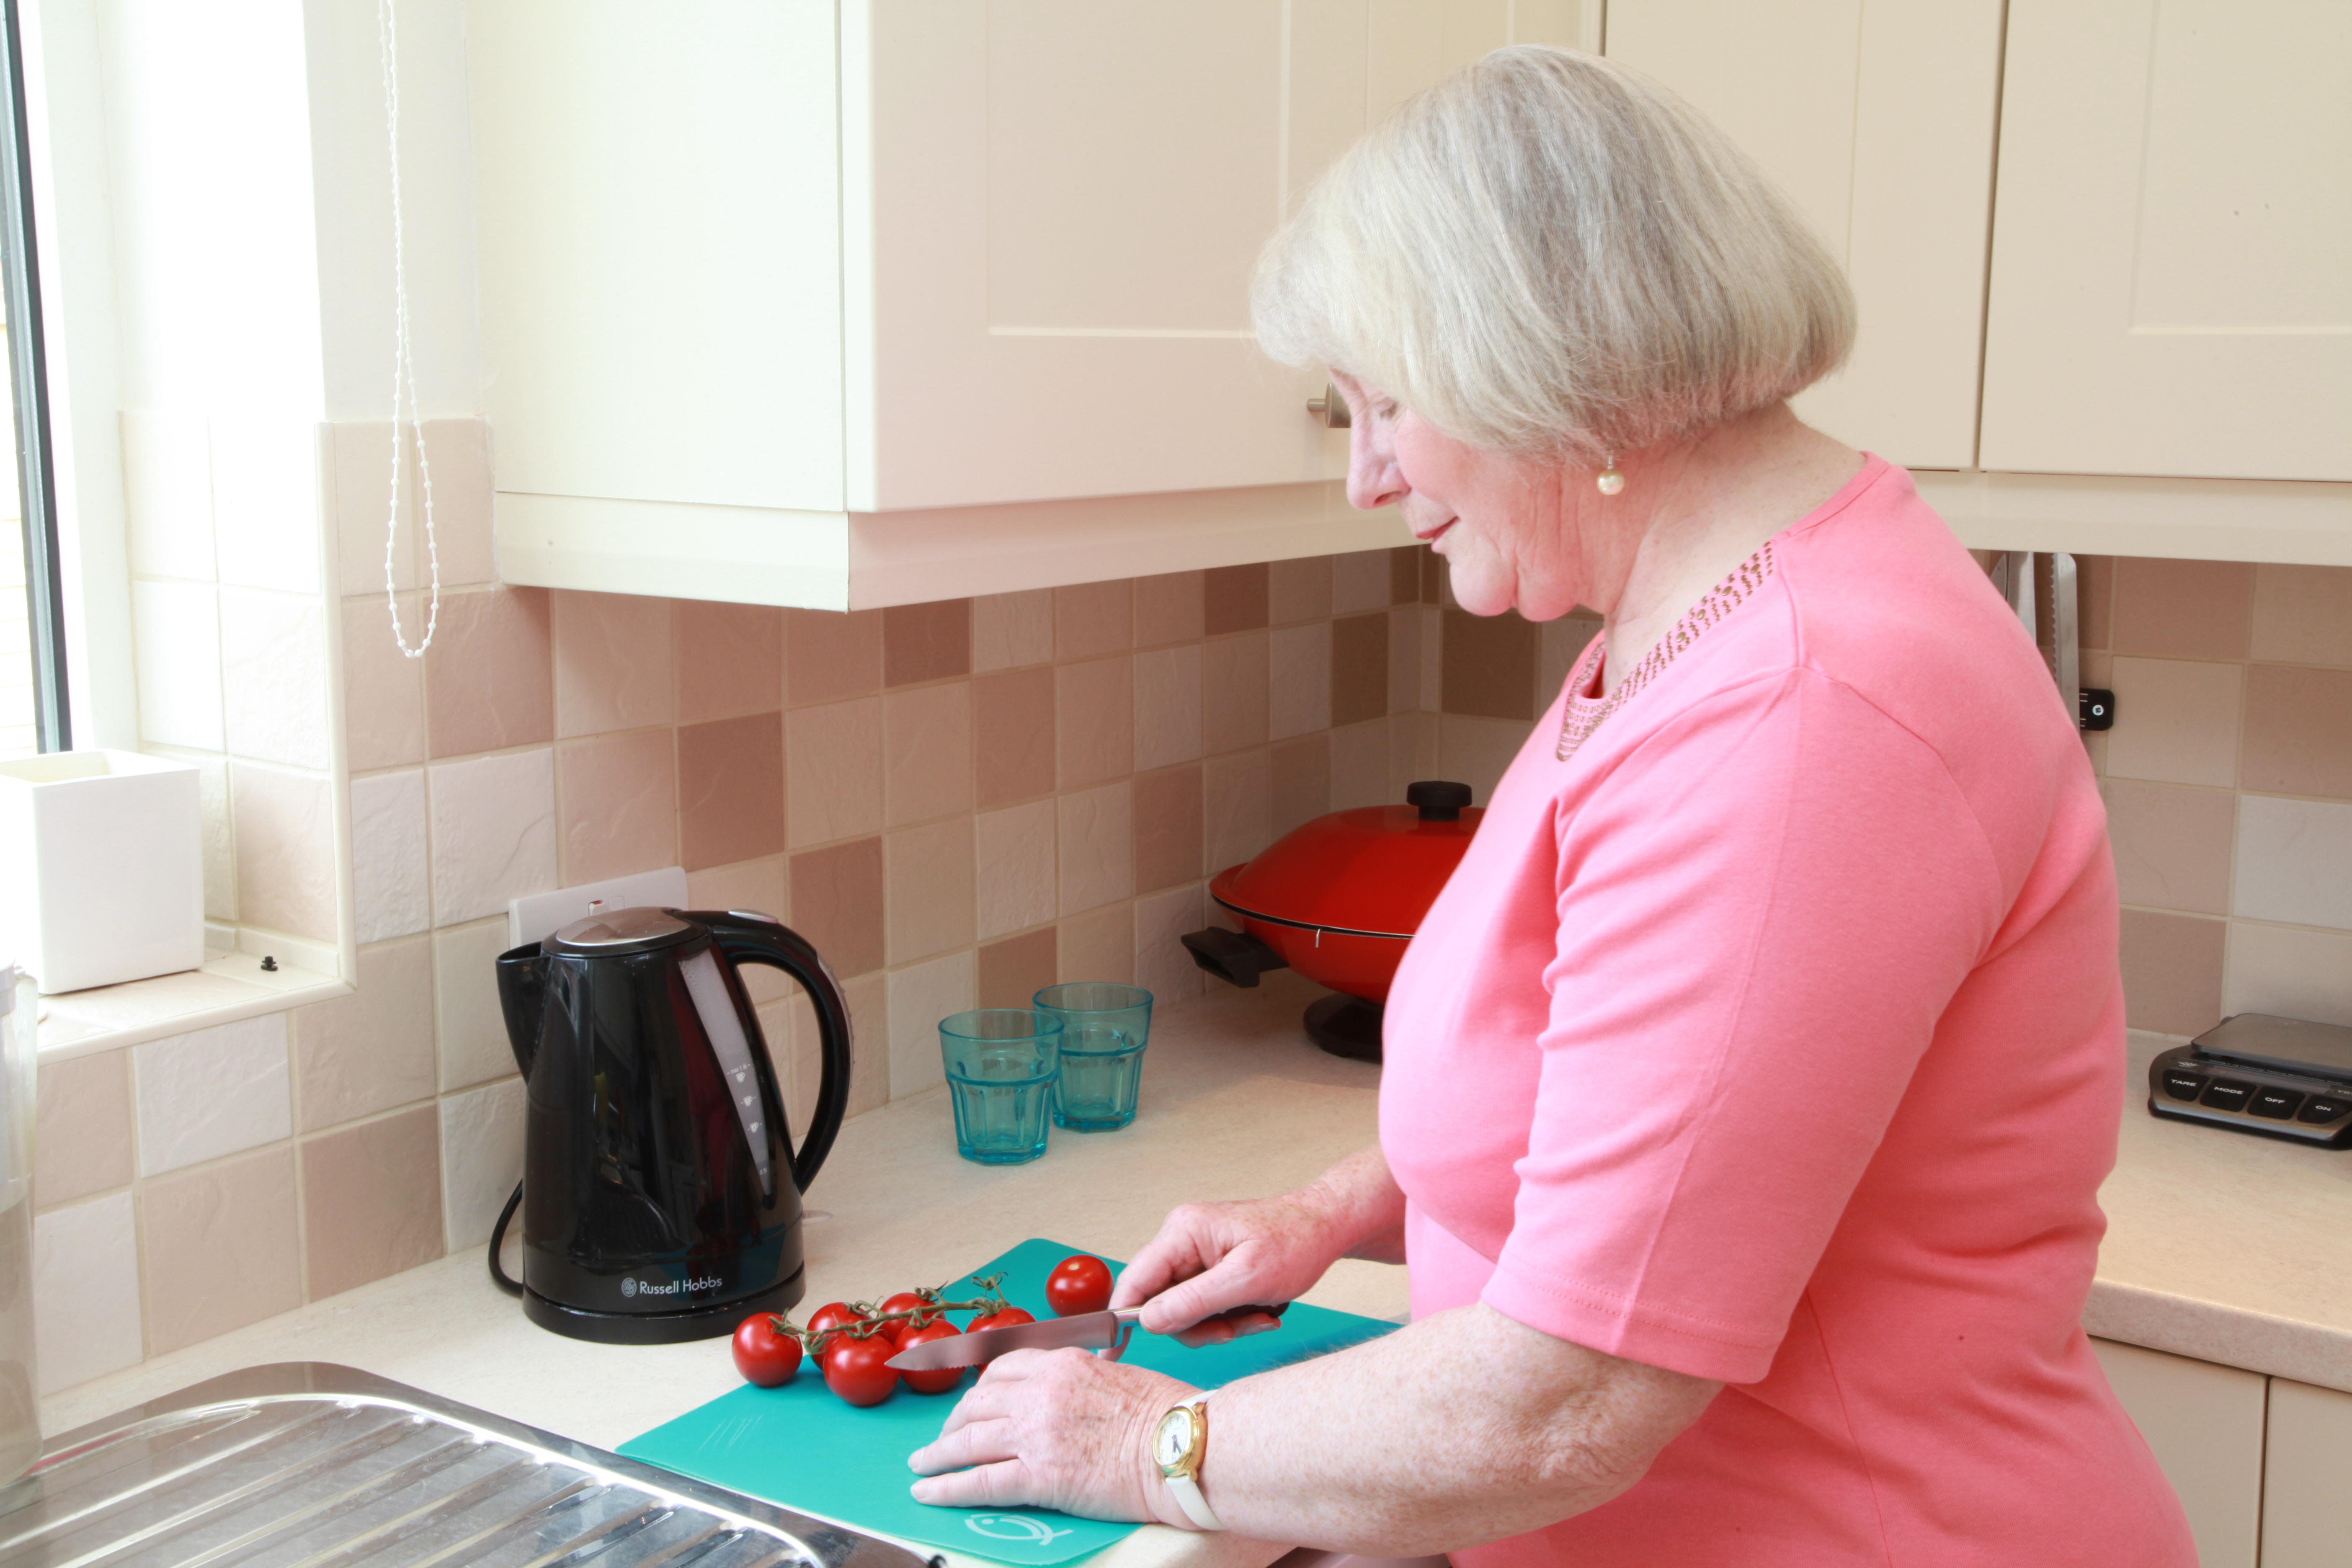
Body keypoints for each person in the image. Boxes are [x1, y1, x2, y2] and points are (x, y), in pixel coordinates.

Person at [907, 45, 2194, 1567]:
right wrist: (1327, 1210)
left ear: (1542, 367)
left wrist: (1142, 1444)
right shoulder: (1690, 622)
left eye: (1385, 406)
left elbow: (1566, 1401)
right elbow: (1625, 1084)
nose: (1365, 479)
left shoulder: (1796, 712)